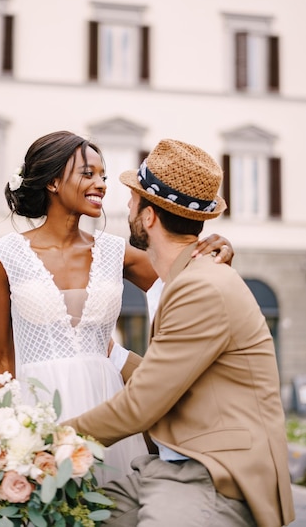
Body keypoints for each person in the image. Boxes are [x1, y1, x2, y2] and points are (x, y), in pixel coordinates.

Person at [0, 131, 234, 483]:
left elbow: (189, 279)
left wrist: (218, 248)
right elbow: (1, 359)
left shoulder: (116, 252)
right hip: (36, 407)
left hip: (107, 405)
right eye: (87, 173)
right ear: (52, 182)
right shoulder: (2, 256)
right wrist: (7, 436)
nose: (101, 184)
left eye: (103, 176)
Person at [64, 138, 295, 526]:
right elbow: (170, 379)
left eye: (134, 199)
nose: (125, 206)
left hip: (213, 474)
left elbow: (141, 405)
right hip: (170, 466)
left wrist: (46, 439)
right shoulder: (190, 279)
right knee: (72, 515)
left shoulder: (201, 287)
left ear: (149, 217)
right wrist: (111, 354)